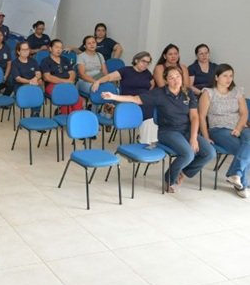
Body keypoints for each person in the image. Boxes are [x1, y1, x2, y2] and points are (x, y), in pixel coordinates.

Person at [102, 66, 215, 193]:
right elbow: (136, 99)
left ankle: (183, 173)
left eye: (178, 76)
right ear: (166, 80)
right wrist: (114, 96)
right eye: (171, 78)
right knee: (188, 154)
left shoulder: (188, 93)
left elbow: (194, 117)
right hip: (168, 132)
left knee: (210, 153)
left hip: (186, 130)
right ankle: (169, 180)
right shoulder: (159, 93)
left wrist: (194, 138)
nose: (175, 80)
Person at [198, 64, 250, 198]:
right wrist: (205, 137)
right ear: (216, 77)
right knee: (243, 149)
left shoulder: (237, 91)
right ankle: (242, 183)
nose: (229, 79)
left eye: (231, 76)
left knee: (248, 143)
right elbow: (201, 117)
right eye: (225, 76)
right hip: (219, 129)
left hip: (240, 127)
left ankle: (235, 175)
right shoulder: (208, 93)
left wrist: (238, 128)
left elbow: (244, 113)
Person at [92, 51, 155, 119]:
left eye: (148, 62)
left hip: (143, 100)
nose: (145, 64)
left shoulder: (147, 73)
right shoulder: (126, 70)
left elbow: (152, 85)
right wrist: (98, 81)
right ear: (136, 60)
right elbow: (109, 77)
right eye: (143, 61)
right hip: (128, 101)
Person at [41, 39, 83, 113]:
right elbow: (47, 77)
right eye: (56, 47)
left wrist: (70, 80)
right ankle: (66, 116)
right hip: (52, 85)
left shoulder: (65, 59)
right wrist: (66, 81)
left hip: (67, 84)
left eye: (61, 48)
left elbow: (72, 72)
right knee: (66, 97)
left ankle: (75, 118)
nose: (59, 50)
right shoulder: (45, 61)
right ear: (50, 49)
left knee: (78, 99)